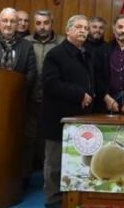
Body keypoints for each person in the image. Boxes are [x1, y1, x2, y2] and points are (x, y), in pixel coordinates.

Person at [40, 15, 94, 208]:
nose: (83, 30)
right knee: (54, 163)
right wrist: (80, 94)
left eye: (86, 28)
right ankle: (53, 199)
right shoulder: (56, 54)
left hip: (80, 118)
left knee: (77, 161)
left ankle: (72, 197)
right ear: (68, 30)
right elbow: (51, 84)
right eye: (78, 27)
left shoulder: (86, 54)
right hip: (57, 117)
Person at [23, 9, 64, 184]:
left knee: (51, 142)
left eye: (46, 23)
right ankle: (24, 179)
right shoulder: (25, 42)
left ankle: (49, 182)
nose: (42, 27)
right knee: (28, 139)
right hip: (30, 98)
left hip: (53, 101)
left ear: (52, 23)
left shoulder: (62, 42)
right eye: (38, 23)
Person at [0, 7, 36, 85]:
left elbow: (31, 73)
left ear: (17, 24)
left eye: (12, 21)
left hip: (18, 90)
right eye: (5, 21)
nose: (8, 24)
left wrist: (19, 88)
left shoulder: (27, 46)